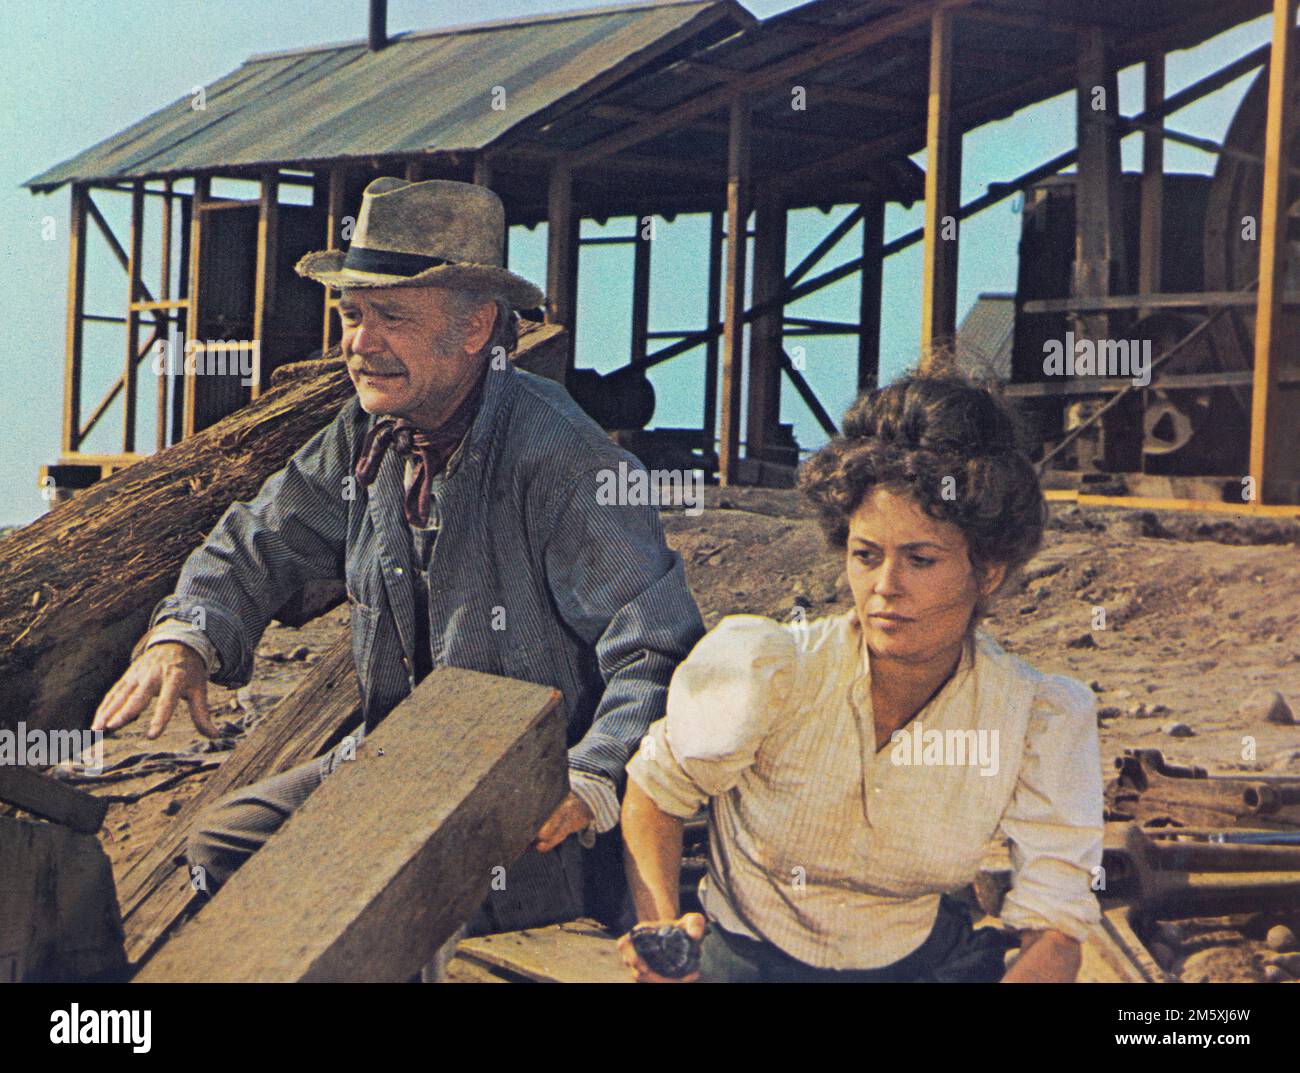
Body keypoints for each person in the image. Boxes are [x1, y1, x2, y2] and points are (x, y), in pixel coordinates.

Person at [92, 177, 705, 954]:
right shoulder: (367, 435)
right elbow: (260, 535)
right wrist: (188, 634)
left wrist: (592, 778)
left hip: (533, 813)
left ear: (477, 325)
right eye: (353, 314)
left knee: (404, 925)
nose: (360, 341)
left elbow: (660, 647)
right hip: (399, 772)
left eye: (393, 316)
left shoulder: (560, 456)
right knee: (228, 844)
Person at [617, 370, 1104, 983]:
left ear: (989, 573)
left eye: (921, 560)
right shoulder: (770, 671)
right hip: (748, 964)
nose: (884, 587)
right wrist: (663, 936)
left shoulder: (1035, 717)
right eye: (866, 555)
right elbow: (657, 792)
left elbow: (1056, 932)